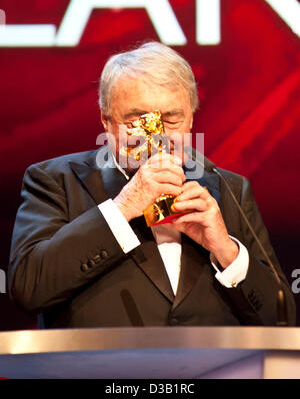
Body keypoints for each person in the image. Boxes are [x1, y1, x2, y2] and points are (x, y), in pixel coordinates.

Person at [8, 42, 295, 328]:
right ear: (106, 120)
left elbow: (282, 319)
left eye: (170, 119)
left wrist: (227, 251)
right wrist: (122, 209)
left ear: (191, 120)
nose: (156, 135)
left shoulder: (230, 189)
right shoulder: (56, 180)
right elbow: (28, 287)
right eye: (137, 120)